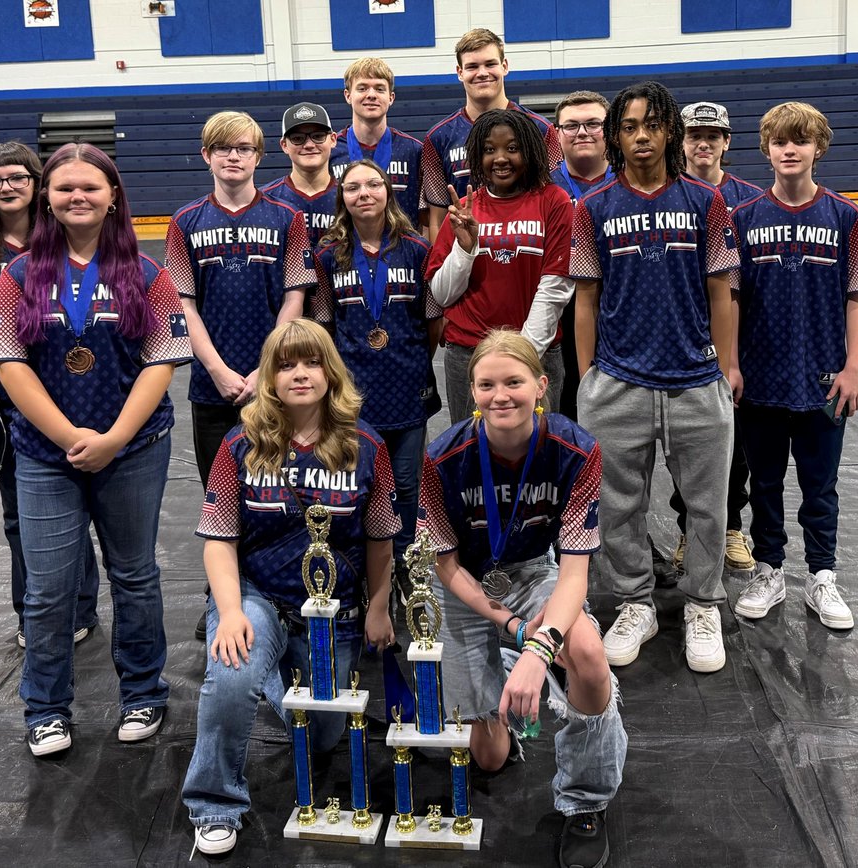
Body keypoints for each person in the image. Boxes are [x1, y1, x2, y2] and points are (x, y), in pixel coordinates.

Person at [0, 142, 190, 756]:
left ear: (113, 196)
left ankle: (144, 695)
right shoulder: (19, 275)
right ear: (47, 196)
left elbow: (161, 363)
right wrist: (71, 438)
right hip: (47, 456)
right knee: (47, 589)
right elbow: (8, 363)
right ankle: (46, 708)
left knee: (134, 575)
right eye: (65, 187)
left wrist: (115, 438)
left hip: (134, 450)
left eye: (90, 187)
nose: (78, 196)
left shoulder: (146, 273)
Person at [182, 319, 399, 856]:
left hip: (333, 613)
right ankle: (215, 802)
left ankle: (279, 685)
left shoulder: (367, 445)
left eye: (311, 362)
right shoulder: (241, 444)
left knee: (324, 738)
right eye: (285, 364)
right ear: (270, 378)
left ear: (331, 371)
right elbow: (218, 540)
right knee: (232, 672)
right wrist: (230, 610)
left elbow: (379, 543)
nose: (300, 374)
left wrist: (377, 607)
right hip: (259, 595)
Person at [419, 329, 623, 868]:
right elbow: (446, 566)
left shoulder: (577, 450)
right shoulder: (442, 459)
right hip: (468, 585)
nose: (500, 395)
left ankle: (585, 801)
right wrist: (513, 629)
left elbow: (575, 575)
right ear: (472, 391)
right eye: (486, 384)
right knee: (488, 759)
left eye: (513, 382)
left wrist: (541, 648)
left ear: (541, 386)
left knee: (587, 655)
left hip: (534, 572)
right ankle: (507, 668)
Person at [572, 82, 739, 674]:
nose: (641, 136)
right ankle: (636, 602)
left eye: (651, 125)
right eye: (629, 126)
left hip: (696, 381)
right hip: (618, 383)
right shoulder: (592, 207)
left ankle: (702, 603)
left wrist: (725, 367)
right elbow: (585, 299)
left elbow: (722, 292)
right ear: (616, 136)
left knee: (707, 507)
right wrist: (590, 376)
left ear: (669, 131)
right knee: (618, 508)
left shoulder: (705, 202)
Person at [0, 141, 100, 649]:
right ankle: (32, 611)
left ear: (36, 183)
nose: (5, 187)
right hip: (3, 405)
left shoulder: (61, 233)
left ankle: (81, 607)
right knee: (21, 517)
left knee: (82, 507)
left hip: (72, 393)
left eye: (16, 177)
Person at [167, 110, 315, 640]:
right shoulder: (185, 221)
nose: (234, 156)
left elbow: (295, 296)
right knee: (222, 492)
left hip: (275, 382)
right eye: (223, 148)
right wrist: (218, 368)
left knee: (285, 484)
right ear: (206, 155)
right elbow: (184, 304)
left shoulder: (286, 218)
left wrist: (263, 369)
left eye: (244, 148)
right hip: (213, 387)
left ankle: (288, 584)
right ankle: (226, 594)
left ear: (259, 156)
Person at [729, 102, 858, 630]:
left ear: (818, 148)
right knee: (764, 483)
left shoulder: (845, 216)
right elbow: (733, 301)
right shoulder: (743, 218)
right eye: (779, 142)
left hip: (823, 378)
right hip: (760, 378)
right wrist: (732, 363)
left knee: (821, 486)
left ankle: (822, 575)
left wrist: (854, 366)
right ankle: (768, 569)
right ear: (765, 149)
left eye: (800, 142)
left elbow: (857, 296)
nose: (789, 151)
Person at [313, 158, 441, 579]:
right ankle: (356, 568)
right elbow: (324, 326)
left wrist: (413, 358)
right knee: (354, 485)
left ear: (388, 192)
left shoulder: (418, 249)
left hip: (407, 387)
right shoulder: (328, 256)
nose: (363, 193)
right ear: (342, 198)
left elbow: (432, 321)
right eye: (353, 188)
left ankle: (405, 569)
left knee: (405, 486)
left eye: (373, 185)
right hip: (352, 394)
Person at [664, 102, 765, 574]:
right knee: (685, 442)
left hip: (737, 338)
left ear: (727, 141)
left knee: (735, 441)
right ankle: (689, 529)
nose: (702, 143)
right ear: (680, 142)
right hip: (678, 338)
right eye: (693, 135)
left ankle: (729, 526)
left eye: (712, 135)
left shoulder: (749, 201)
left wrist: (736, 354)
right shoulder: (665, 196)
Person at [427, 108, 573, 423]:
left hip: (536, 355)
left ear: (531, 151)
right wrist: (465, 249)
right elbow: (441, 294)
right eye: (489, 150)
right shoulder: (466, 209)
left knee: (538, 460)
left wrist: (519, 355)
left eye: (512, 148)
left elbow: (556, 285)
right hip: (468, 354)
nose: (500, 158)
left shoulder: (554, 200)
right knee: (471, 458)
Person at [421, 28, 562, 241]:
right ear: (460, 72)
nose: (482, 73)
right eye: (472, 66)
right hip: (464, 253)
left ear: (504, 66)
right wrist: (439, 268)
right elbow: (437, 218)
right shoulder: (438, 137)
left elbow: (555, 203)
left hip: (527, 251)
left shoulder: (540, 129)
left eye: (490, 64)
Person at [550, 90, 613, 422]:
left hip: (617, 306)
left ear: (610, 129)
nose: (582, 132)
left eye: (593, 123)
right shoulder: (542, 187)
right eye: (571, 126)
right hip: (559, 309)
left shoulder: (629, 182)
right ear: (557, 133)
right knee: (566, 410)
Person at [328, 57, 426, 229]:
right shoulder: (331, 150)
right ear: (348, 95)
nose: (371, 95)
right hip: (345, 251)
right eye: (362, 88)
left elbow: (427, 215)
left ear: (391, 97)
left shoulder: (414, 150)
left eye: (380, 89)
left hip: (403, 251)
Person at [261, 102, 339, 252]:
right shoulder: (265, 199)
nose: (309, 145)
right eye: (298, 138)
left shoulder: (351, 196)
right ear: (284, 145)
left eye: (318, 136)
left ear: (333, 139)